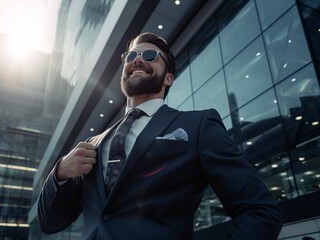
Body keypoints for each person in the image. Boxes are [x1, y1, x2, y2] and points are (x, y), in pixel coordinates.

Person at [38, 32, 283, 239]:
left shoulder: (197, 125)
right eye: (131, 56)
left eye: (149, 56)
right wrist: (59, 173)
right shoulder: (92, 144)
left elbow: (260, 211)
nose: (137, 60)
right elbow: (50, 223)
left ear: (168, 78)